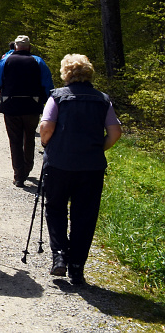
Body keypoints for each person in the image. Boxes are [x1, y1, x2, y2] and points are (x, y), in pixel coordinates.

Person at [40, 54, 122, 286]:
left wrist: (47, 144)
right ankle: (77, 268)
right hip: (91, 167)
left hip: (59, 164)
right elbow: (115, 132)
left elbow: (46, 127)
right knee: (84, 216)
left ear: (66, 74)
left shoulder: (57, 97)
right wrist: (99, 149)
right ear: (89, 73)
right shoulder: (102, 100)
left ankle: (59, 256)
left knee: (55, 208)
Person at [0, 35, 54, 187]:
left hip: (11, 106)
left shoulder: (6, 60)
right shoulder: (38, 61)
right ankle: (27, 168)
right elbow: (48, 85)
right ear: (29, 47)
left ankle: (19, 175)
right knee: (29, 138)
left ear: (15, 47)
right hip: (32, 106)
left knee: (15, 140)